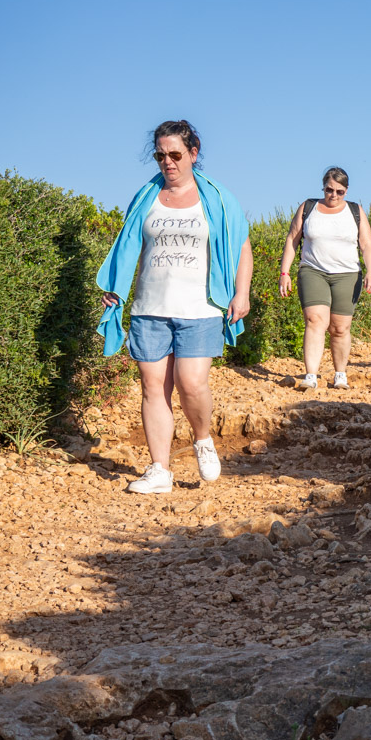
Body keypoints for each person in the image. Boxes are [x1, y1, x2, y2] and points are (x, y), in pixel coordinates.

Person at [95, 120, 253, 494]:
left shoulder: (217, 198)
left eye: (175, 154)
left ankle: (202, 439)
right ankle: (159, 470)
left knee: (191, 383)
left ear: (193, 153)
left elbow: (242, 247)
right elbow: (127, 247)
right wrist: (116, 290)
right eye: (160, 155)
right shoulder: (145, 198)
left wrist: (241, 293)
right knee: (153, 388)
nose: (168, 162)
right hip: (150, 307)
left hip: (201, 308)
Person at [277, 167, 371, 390]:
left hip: (347, 274)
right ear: (323, 187)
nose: (333, 195)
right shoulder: (309, 207)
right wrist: (284, 273)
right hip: (313, 271)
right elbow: (292, 240)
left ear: (347, 191)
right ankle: (311, 375)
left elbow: (367, 244)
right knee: (315, 321)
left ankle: (340, 374)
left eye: (339, 191)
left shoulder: (355, 211)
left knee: (340, 328)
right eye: (329, 190)